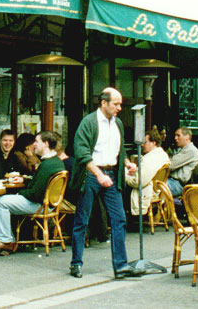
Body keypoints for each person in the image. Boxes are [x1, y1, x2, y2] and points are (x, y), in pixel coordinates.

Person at [69, 87, 142, 279]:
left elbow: (120, 150)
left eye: (120, 104)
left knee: (119, 219)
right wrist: (98, 174)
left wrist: (127, 164)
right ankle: (76, 263)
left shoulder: (117, 123)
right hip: (92, 174)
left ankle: (121, 265)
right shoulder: (88, 123)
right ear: (104, 103)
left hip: (110, 172)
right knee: (82, 220)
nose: (119, 108)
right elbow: (82, 152)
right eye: (116, 104)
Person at [0, 131, 65, 254]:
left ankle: (6, 241)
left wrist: (20, 193)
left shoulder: (47, 165)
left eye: (37, 142)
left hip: (40, 204)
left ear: (45, 144)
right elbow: (40, 183)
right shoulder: (55, 161)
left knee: (0, 202)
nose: (34, 145)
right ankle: (8, 239)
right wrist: (24, 180)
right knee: (2, 201)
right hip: (49, 204)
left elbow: (35, 193)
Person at [125, 129, 170, 216]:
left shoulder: (151, 159)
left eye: (145, 142)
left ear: (153, 143)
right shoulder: (162, 154)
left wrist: (124, 176)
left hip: (149, 192)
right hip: (157, 190)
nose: (142, 145)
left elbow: (137, 182)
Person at [167, 127, 198, 197]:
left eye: (178, 135)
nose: (175, 138)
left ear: (187, 137)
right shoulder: (183, 149)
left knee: (154, 187)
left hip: (178, 184)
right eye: (175, 135)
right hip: (174, 181)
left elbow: (170, 165)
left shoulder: (191, 150)